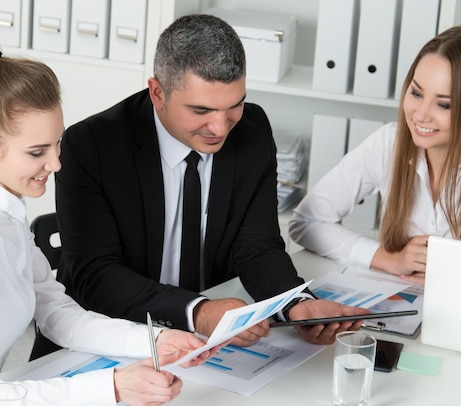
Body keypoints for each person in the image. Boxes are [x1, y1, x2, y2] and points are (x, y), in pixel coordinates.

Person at [0, 36, 216, 406]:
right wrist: (113, 387)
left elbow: (59, 315)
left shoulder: (5, 213)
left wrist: (156, 340)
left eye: (56, 144)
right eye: (37, 152)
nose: (56, 164)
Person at [32, 13, 367, 361]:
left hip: (211, 348)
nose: (220, 127)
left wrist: (295, 303)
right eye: (201, 110)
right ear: (157, 92)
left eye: (234, 105)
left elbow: (257, 246)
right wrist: (198, 312)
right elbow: (96, 276)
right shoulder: (92, 145)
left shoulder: (251, 131)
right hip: (111, 337)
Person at [289, 25, 461, 285]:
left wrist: (458, 274)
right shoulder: (389, 143)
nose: (420, 115)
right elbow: (306, 222)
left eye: (443, 104)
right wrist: (387, 258)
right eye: (416, 93)